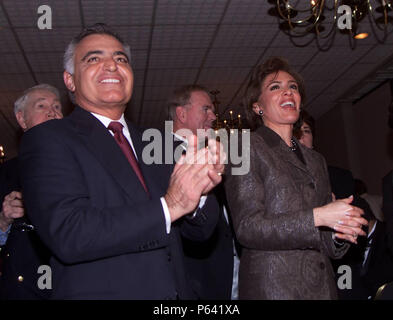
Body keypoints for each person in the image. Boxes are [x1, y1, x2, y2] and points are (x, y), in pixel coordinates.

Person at [18, 23, 225, 299]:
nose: (112, 66)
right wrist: (170, 206)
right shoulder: (48, 139)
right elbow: (69, 233)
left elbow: (200, 234)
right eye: (94, 58)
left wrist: (199, 189)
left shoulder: (158, 143)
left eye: (120, 59)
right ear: (70, 80)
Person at [225, 57, 368, 299]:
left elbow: (323, 242)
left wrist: (338, 232)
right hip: (273, 289)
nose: (288, 92)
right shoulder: (243, 147)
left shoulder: (316, 160)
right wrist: (319, 216)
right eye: (275, 87)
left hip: (322, 288)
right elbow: (248, 227)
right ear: (257, 106)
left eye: (293, 87)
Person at [165, 84, 240, 300]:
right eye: (206, 109)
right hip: (196, 280)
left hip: (229, 275)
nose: (214, 115)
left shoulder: (210, 154)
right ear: (182, 113)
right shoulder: (158, 156)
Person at [0, 84, 63, 299]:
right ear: (21, 119)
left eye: (57, 106)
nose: (52, 111)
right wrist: (3, 221)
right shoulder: (5, 174)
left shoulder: (86, 168)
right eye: (41, 106)